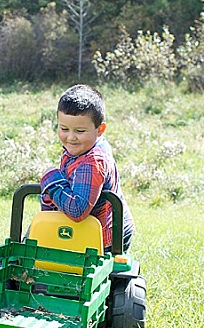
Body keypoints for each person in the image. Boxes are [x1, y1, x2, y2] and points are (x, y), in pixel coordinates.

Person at [40, 84, 135, 252]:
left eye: (80, 130)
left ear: (100, 130)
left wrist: (51, 180)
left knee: (91, 273)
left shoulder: (92, 162)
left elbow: (77, 210)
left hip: (105, 238)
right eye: (64, 129)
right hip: (90, 230)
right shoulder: (83, 147)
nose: (71, 137)